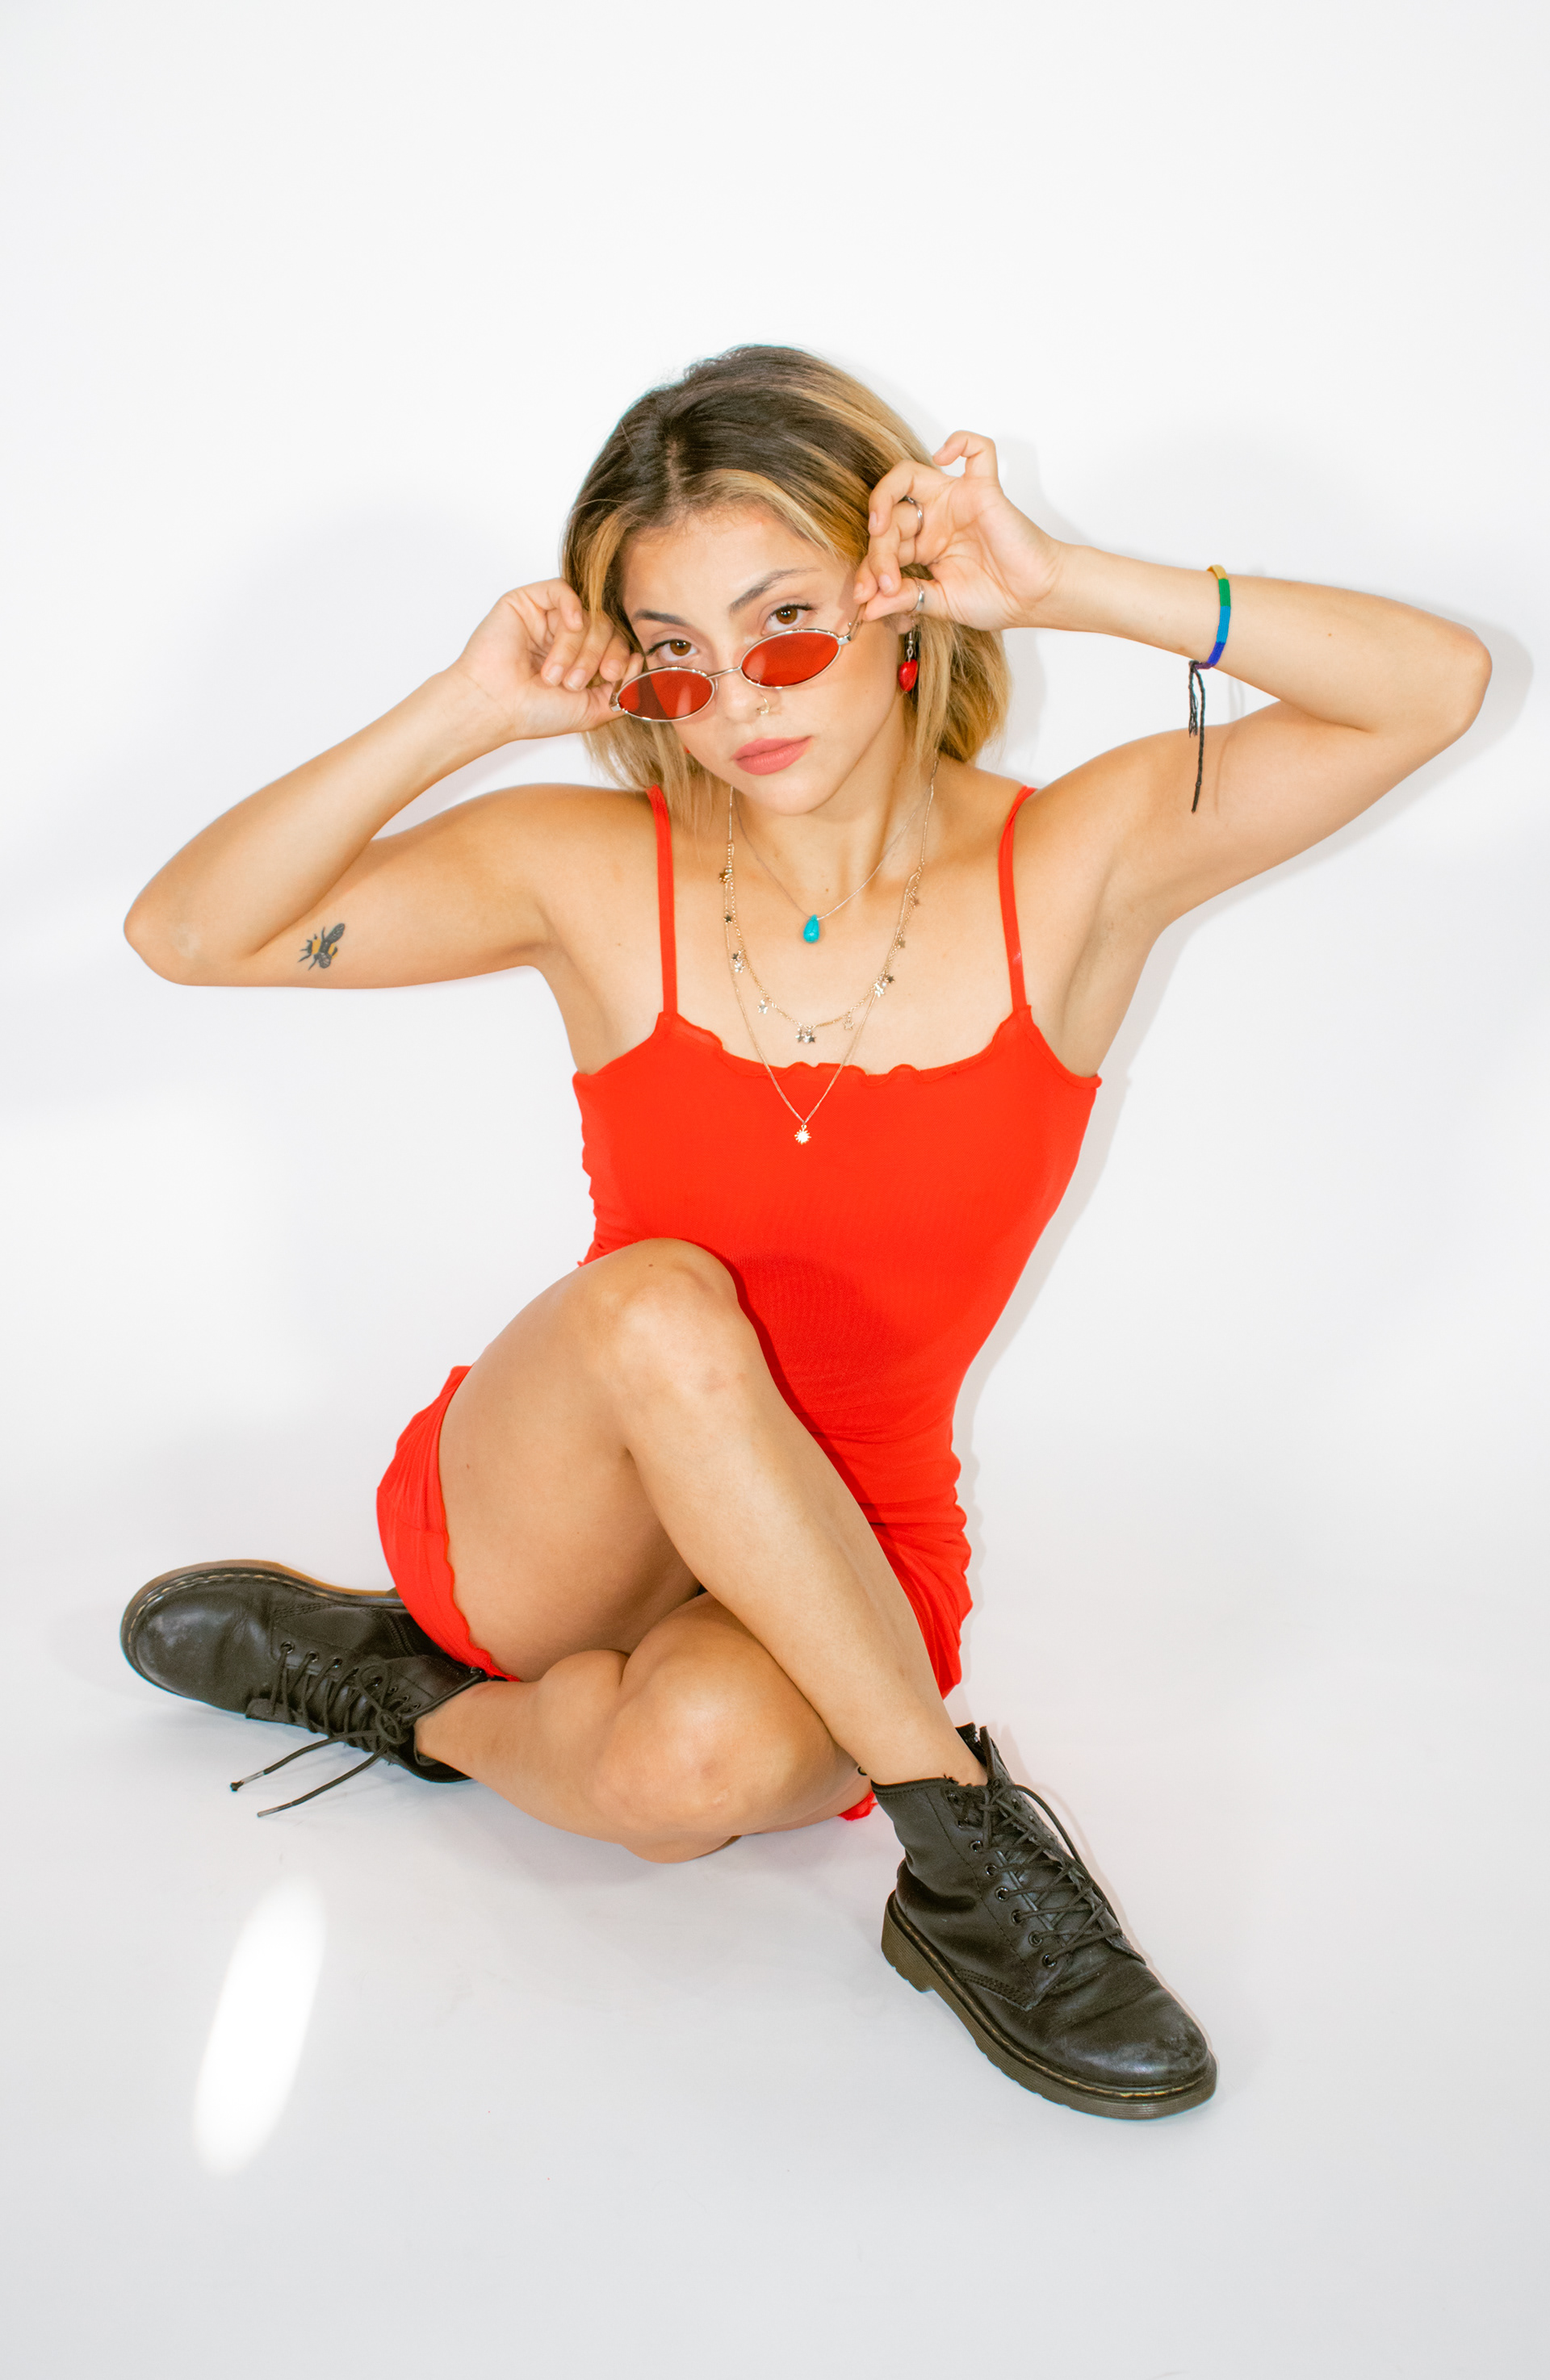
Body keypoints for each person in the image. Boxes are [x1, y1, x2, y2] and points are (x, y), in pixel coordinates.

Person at [118, 345, 1489, 2119]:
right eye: (677, 656)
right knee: (661, 1307)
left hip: (854, 1544)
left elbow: (1435, 686)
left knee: (684, 1775)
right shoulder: (586, 866)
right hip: (564, 1507)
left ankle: (399, 1697)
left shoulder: (1071, 868)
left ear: (895, 598)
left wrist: (1067, 580)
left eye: (783, 626)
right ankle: (971, 1857)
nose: (736, 700)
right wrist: (461, 709)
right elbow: (189, 933)